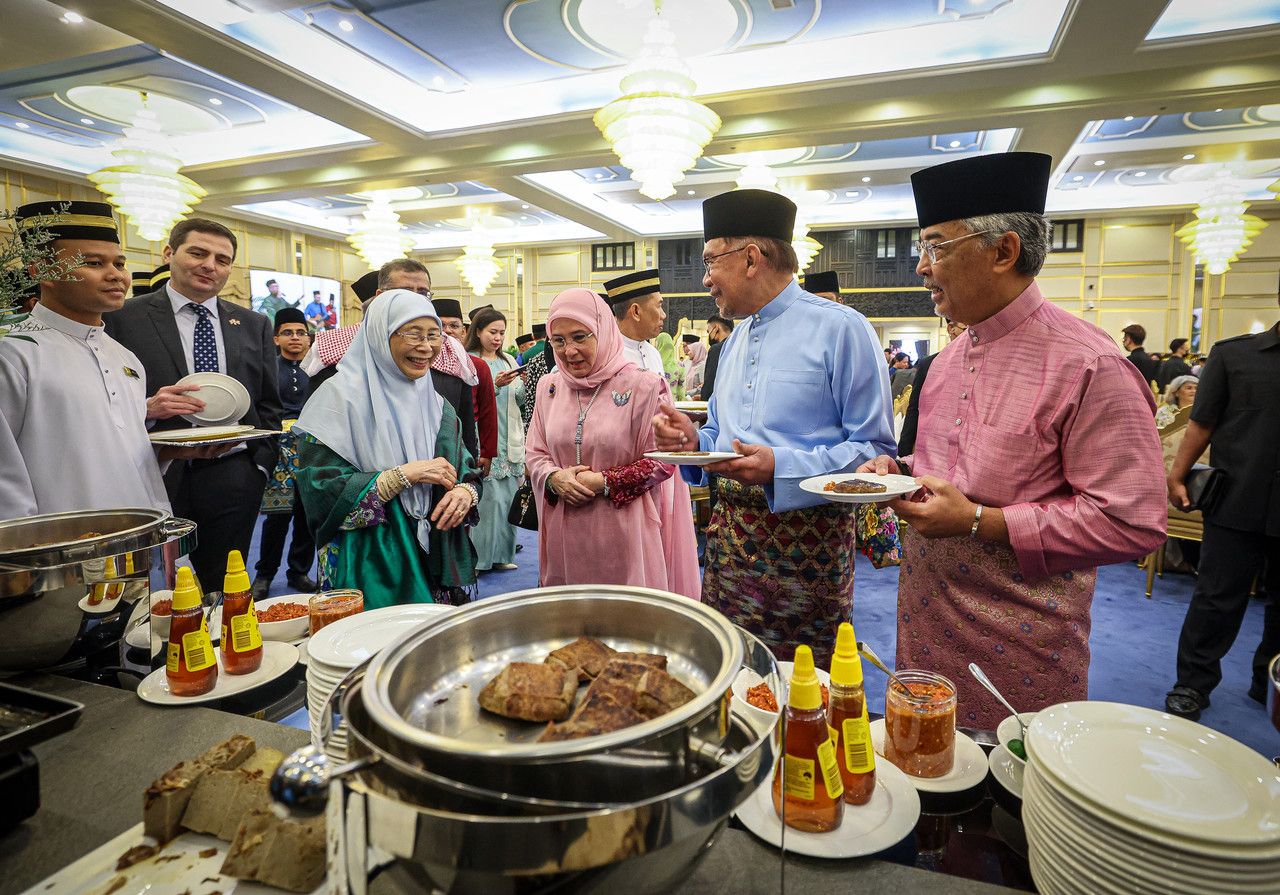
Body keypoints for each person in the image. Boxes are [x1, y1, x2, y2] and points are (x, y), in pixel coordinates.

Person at [857, 151, 1167, 728]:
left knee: (1007, 799)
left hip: (1019, 648)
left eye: (936, 246)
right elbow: (944, 470)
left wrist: (980, 521)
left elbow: (1133, 521)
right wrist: (895, 471)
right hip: (922, 626)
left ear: (1003, 251)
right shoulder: (947, 363)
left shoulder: (1090, 365)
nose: (922, 268)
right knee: (927, 779)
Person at [652, 189, 894, 665]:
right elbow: (722, 437)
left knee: (805, 690)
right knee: (732, 675)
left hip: (809, 556)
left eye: (709, 262)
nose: (704, 279)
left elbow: (872, 451)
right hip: (729, 548)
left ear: (750, 258)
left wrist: (779, 467)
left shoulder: (842, 329)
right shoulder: (737, 336)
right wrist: (694, 441)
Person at [105, 218, 283, 591]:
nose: (210, 266)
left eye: (222, 259)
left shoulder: (252, 324)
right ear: (170, 253)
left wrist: (260, 467)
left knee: (227, 584)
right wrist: (147, 408)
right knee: (156, 587)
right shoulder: (123, 318)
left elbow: (269, 401)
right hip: (157, 470)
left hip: (234, 473)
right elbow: (105, 397)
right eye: (198, 253)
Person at [0, 201, 211, 515]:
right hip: (57, 550)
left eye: (120, 264)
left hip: (135, 537)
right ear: (41, 270)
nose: (116, 276)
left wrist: (165, 453)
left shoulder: (124, 358)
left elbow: (116, 454)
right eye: (95, 263)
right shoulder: (15, 352)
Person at [293, 290, 481, 607]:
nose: (426, 347)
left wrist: (465, 492)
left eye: (434, 335)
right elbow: (318, 488)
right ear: (381, 335)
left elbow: (465, 468)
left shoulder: (436, 405)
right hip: (369, 561)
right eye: (414, 334)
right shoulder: (337, 400)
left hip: (433, 550)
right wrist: (400, 476)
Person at [527, 289, 699, 597]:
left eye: (580, 337)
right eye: (559, 340)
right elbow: (536, 452)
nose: (569, 351)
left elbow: (663, 460)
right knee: (570, 626)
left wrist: (602, 481)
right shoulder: (548, 388)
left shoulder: (644, 386)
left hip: (625, 532)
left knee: (629, 626)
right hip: (565, 534)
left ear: (604, 330)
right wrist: (554, 477)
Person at [1165, 313, 1280, 719]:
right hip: (1238, 500)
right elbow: (1201, 422)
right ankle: (1192, 684)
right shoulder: (1235, 355)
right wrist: (1177, 474)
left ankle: (1268, 682)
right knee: (1216, 598)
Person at [253, 308, 317, 597]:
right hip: (277, 450)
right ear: (276, 339)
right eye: (288, 333)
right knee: (277, 516)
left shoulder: (317, 369)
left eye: (301, 333)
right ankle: (264, 575)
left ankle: (299, 571)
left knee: (307, 515)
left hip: (313, 448)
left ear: (308, 338)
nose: (295, 338)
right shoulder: (267, 369)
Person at [465, 307, 525, 572]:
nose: (498, 338)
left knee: (508, 499)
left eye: (501, 332)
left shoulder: (509, 361)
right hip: (483, 435)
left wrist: (518, 384)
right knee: (487, 501)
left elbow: (519, 400)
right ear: (478, 332)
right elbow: (470, 400)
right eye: (492, 332)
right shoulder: (469, 361)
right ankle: (479, 559)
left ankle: (502, 555)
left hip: (509, 435)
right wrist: (496, 385)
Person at [434, 298, 498, 474]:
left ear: (463, 331)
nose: (447, 331)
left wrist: (487, 452)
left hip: (466, 440)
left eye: (454, 326)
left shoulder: (476, 365)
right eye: (441, 325)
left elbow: (488, 412)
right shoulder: (422, 365)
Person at [898, 317, 966, 455]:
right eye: (965, 329)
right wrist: (903, 452)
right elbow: (914, 410)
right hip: (933, 449)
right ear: (951, 329)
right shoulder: (929, 364)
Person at [603, 269, 666, 375]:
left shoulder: (653, 353)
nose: (663, 315)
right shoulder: (607, 358)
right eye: (659, 306)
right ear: (636, 311)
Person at [701, 314, 734, 403]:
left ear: (716, 328)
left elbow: (710, 385)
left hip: (720, 405)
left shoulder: (717, 349)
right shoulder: (740, 346)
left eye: (709, 331)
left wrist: (703, 399)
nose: (709, 335)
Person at [681, 333, 708, 399]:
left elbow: (702, 386)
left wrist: (687, 393)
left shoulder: (702, 365)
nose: (683, 349)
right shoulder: (685, 362)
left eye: (685, 346)